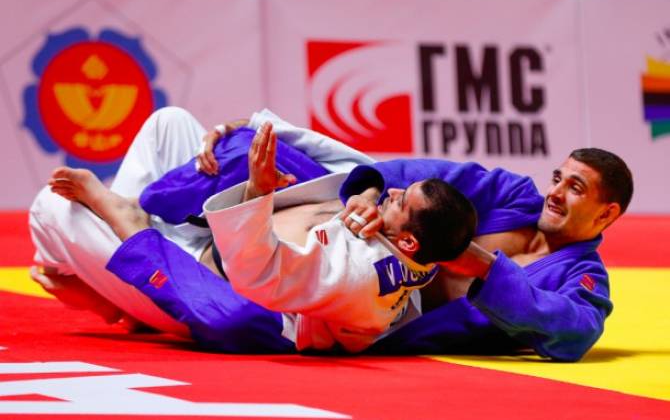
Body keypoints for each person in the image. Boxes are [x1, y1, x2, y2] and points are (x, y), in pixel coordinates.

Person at [48, 120, 478, 353]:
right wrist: (367, 191)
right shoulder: (404, 244)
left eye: (400, 202)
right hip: (212, 231)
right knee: (170, 123)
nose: (395, 192)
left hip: (206, 271)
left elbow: (254, 274)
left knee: (50, 209)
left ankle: (123, 223)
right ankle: (119, 291)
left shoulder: (357, 275)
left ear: (408, 243)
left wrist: (257, 189)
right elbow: (368, 170)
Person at [349, 149, 634, 361]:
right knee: (308, 161)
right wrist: (369, 195)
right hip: (363, 251)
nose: (555, 193)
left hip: (384, 325)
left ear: (607, 213)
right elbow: (432, 174)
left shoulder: (583, 274)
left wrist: (487, 267)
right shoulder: (513, 194)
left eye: (575, 188)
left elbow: (579, 332)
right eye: (557, 179)